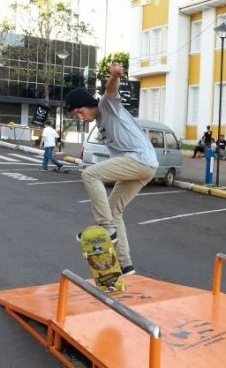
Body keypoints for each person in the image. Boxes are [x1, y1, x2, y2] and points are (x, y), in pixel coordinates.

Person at [66, 62, 158, 277]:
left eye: (80, 112)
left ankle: (106, 229)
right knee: (114, 209)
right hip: (145, 166)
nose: (80, 118)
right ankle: (126, 265)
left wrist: (115, 75)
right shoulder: (100, 121)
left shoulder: (107, 106)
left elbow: (111, 90)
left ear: (89, 104)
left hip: (139, 160)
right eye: (76, 116)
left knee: (90, 174)